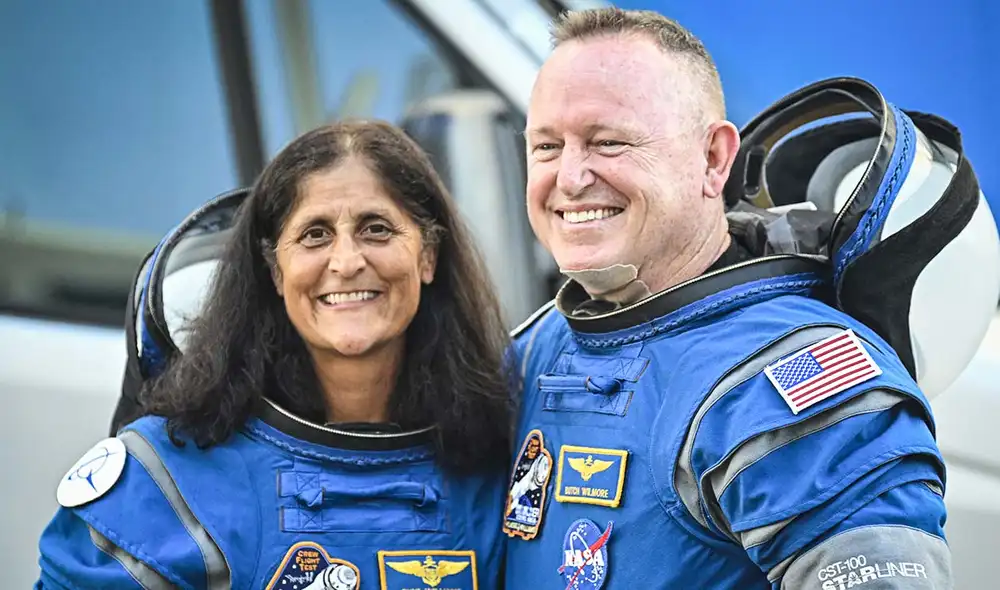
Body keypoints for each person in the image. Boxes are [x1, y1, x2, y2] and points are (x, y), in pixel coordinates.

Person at [503, 7, 959, 589]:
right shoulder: (543, 345)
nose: (568, 177)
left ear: (714, 159)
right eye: (546, 147)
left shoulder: (793, 384)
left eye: (608, 142)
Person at [36, 121, 512, 589]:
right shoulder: (166, 481)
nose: (346, 262)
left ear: (427, 256)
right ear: (276, 271)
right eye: (315, 235)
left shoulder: (497, 462)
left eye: (376, 229)